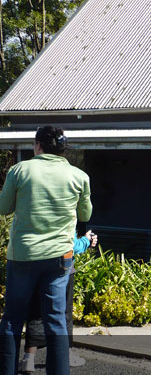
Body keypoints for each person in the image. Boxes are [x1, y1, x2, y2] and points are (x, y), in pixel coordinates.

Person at [0, 126, 92, 375]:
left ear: (37, 145)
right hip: (60, 259)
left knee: (12, 319)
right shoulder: (79, 176)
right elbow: (85, 214)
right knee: (56, 321)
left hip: (23, 256)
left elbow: (4, 208)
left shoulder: (20, 171)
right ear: (63, 149)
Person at [19, 230, 98, 373]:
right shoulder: (66, 209)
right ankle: (66, 356)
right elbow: (72, 245)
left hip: (35, 263)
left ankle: (28, 359)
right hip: (63, 267)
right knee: (64, 313)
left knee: (36, 311)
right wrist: (86, 240)